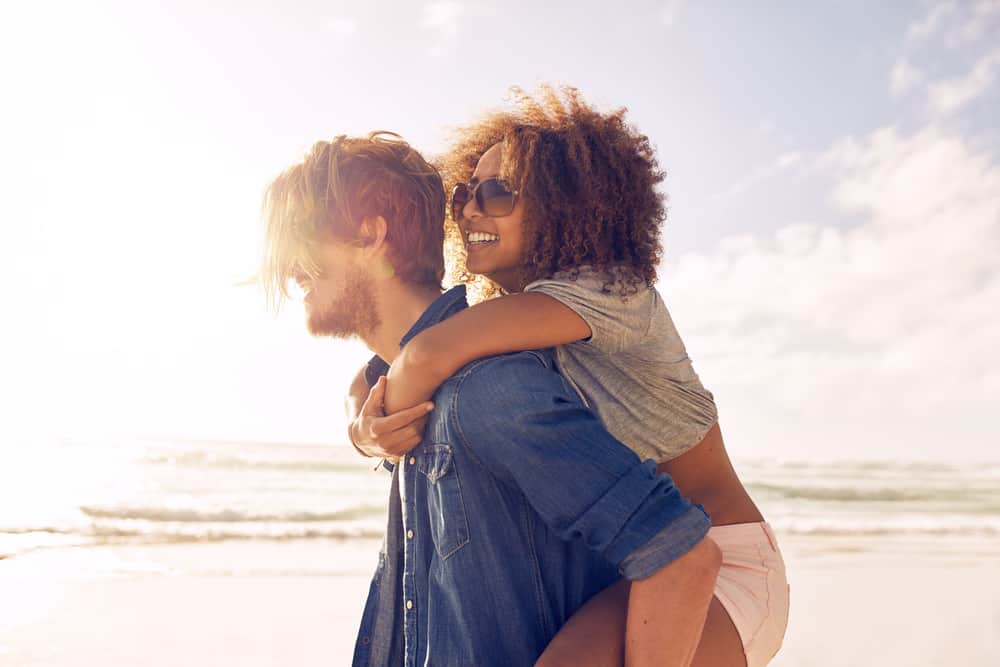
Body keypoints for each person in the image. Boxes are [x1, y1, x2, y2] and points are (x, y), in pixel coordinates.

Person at [348, 87, 790, 667]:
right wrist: (364, 424)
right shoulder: (513, 319)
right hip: (641, 565)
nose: (471, 210)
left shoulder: (613, 293)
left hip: (721, 564)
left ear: (567, 204)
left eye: (498, 192)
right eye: (464, 194)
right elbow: (383, 367)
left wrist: (378, 433)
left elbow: (426, 353)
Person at [261, 132, 722, 666]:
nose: (290, 268)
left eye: (300, 240)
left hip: (732, 553)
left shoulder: (485, 388)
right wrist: (360, 426)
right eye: (465, 197)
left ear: (370, 235)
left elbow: (679, 554)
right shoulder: (413, 397)